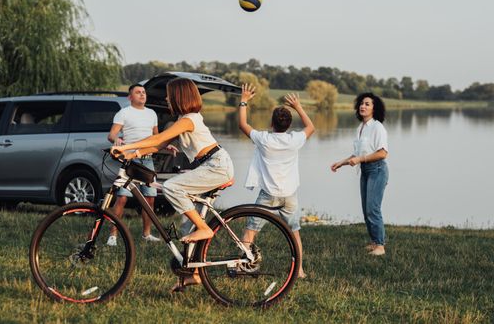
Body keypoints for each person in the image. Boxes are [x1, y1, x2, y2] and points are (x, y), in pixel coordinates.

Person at [111, 78, 234, 290]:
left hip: (216, 166)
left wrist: (126, 146)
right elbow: (159, 143)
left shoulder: (189, 119)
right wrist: (134, 153)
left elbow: (155, 138)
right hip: (208, 166)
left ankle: (205, 229)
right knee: (188, 224)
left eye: (170, 95)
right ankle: (193, 274)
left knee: (172, 187)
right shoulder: (181, 121)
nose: (167, 99)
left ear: (179, 97)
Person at [238, 84, 314, 279]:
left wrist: (244, 100)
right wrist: (298, 106)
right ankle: (299, 270)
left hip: (268, 195)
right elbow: (311, 127)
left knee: (251, 230)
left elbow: (243, 125)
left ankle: (242, 266)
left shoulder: (264, 139)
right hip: (290, 195)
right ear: (288, 125)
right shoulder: (294, 140)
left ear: (272, 124)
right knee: (294, 231)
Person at [330, 92, 389, 256]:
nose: (363, 106)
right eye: (362, 103)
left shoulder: (377, 127)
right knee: (366, 209)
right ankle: (374, 241)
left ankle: (380, 246)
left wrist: (361, 159)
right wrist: (341, 163)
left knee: (373, 209)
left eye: (368, 104)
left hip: (377, 170)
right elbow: (356, 155)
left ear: (374, 108)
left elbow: (383, 153)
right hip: (365, 170)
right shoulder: (360, 128)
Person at [106, 84, 161, 246]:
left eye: (144, 92)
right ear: (130, 97)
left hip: (148, 160)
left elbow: (156, 137)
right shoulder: (124, 113)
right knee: (122, 198)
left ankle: (147, 234)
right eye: (138, 93)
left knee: (149, 198)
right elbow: (111, 134)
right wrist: (116, 139)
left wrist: (166, 145)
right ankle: (113, 236)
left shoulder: (152, 114)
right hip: (130, 161)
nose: (142, 95)